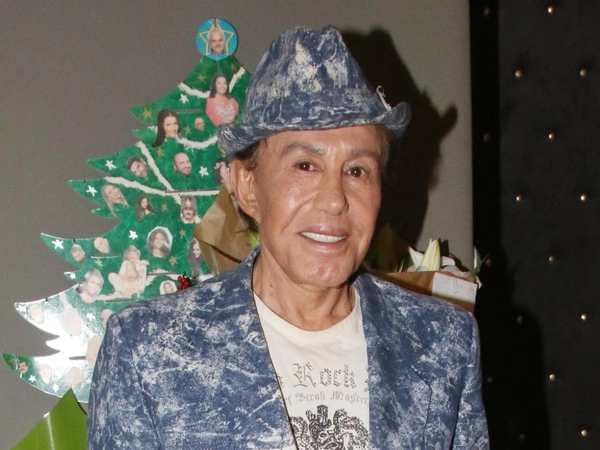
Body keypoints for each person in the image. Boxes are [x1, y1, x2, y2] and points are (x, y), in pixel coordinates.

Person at [89, 27, 488, 449]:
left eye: (357, 171)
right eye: (305, 166)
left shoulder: (442, 343)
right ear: (247, 186)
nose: (334, 200)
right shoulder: (148, 349)